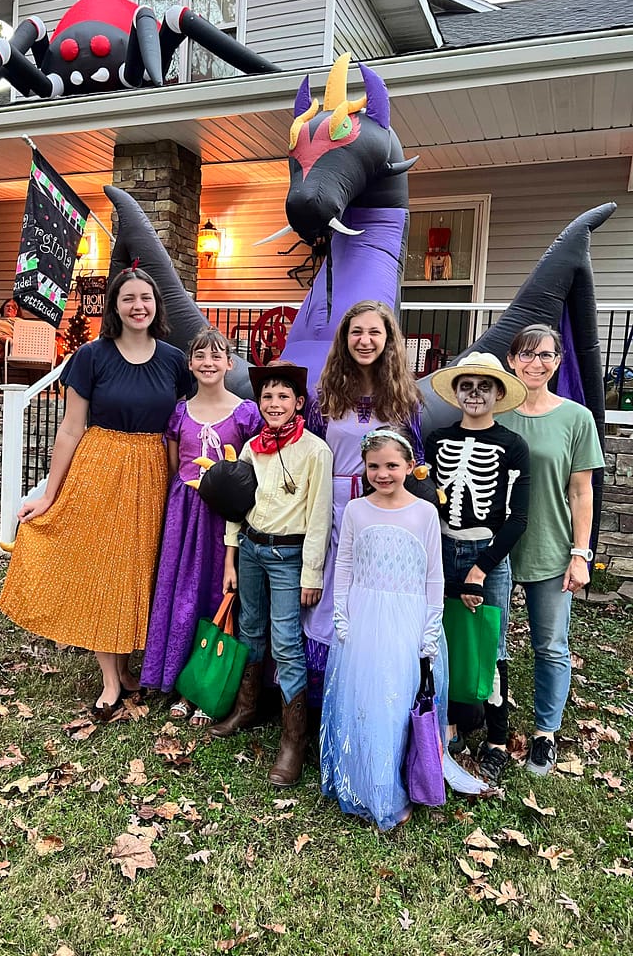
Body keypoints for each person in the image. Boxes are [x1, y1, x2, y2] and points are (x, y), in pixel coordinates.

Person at [0, 266, 191, 719]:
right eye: (128, 299)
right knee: (105, 569)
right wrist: (49, 493)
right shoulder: (91, 356)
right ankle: (111, 680)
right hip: (99, 468)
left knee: (136, 571)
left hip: (152, 473)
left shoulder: (173, 360)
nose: (138, 306)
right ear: (114, 306)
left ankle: (127, 670)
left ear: (157, 305)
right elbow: (69, 429)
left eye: (146, 297)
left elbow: (183, 423)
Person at [210, 364, 333, 788]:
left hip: (288, 555)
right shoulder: (251, 448)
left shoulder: (315, 451)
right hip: (250, 548)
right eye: (267, 397)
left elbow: (319, 517)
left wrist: (311, 572)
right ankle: (247, 706)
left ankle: (293, 740)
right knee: (249, 627)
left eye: (283, 397)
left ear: (299, 403)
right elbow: (237, 502)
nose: (274, 404)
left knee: (285, 640)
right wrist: (231, 555)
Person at [319, 429, 443, 829]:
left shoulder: (424, 513)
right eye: (374, 466)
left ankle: (395, 785)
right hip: (364, 616)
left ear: (409, 465)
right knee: (365, 702)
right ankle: (364, 784)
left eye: (392, 465)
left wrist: (430, 626)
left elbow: (433, 576)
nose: (383, 474)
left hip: (406, 619)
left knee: (395, 707)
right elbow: (345, 564)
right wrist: (341, 611)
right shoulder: (356, 509)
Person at [303, 300, 423, 704]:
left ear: (388, 339)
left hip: (382, 508)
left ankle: (370, 692)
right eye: (356, 332)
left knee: (371, 595)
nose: (365, 340)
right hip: (332, 507)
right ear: (344, 339)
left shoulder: (404, 399)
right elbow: (311, 453)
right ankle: (321, 700)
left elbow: (415, 458)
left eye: (374, 332)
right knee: (328, 596)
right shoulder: (325, 396)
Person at [140, 328, 262, 725]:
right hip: (186, 511)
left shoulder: (246, 413)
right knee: (181, 592)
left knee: (218, 592)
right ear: (190, 363)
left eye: (217, 356)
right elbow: (175, 466)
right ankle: (178, 680)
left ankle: (209, 683)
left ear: (230, 363)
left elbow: (252, 468)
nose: (208, 363)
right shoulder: (179, 412)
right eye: (200, 356)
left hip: (224, 515)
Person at [497, 324, 604, 775]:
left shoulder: (575, 418)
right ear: (511, 361)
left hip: (551, 546)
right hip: (496, 551)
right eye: (526, 354)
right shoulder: (495, 413)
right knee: (492, 642)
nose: (535, 363)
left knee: (550, 644)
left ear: (558, 361)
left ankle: (545, 732)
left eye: (545, 355)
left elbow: (582, 492)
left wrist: (581, 553)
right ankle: (492, 727)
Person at [426, 353, 530, 783]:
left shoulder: (512, 445)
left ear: (498, 393)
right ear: (456, 392)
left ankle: (497, 740)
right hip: (442, 550)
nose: (474, 393)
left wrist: (482, 569)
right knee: (445, 640)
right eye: (466, 386)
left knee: (490, 645)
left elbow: (517, 517)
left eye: (484, 386)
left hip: (487, 554)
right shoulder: (435, 440)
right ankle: (450, 725)